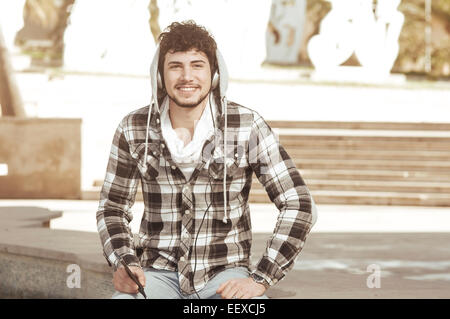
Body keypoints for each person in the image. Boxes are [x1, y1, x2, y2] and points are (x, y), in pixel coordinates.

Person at [96, 20, 318, 299]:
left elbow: (299, 204)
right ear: (160, 76)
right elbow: (112, 207)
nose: (186, 76)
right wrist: (124, 262)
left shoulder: (247, 125)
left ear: (214, 74)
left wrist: (262, 278)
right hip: (156, 274)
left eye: (197, 65)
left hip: (225, 275)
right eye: (175, 66)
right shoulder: (133, 127)